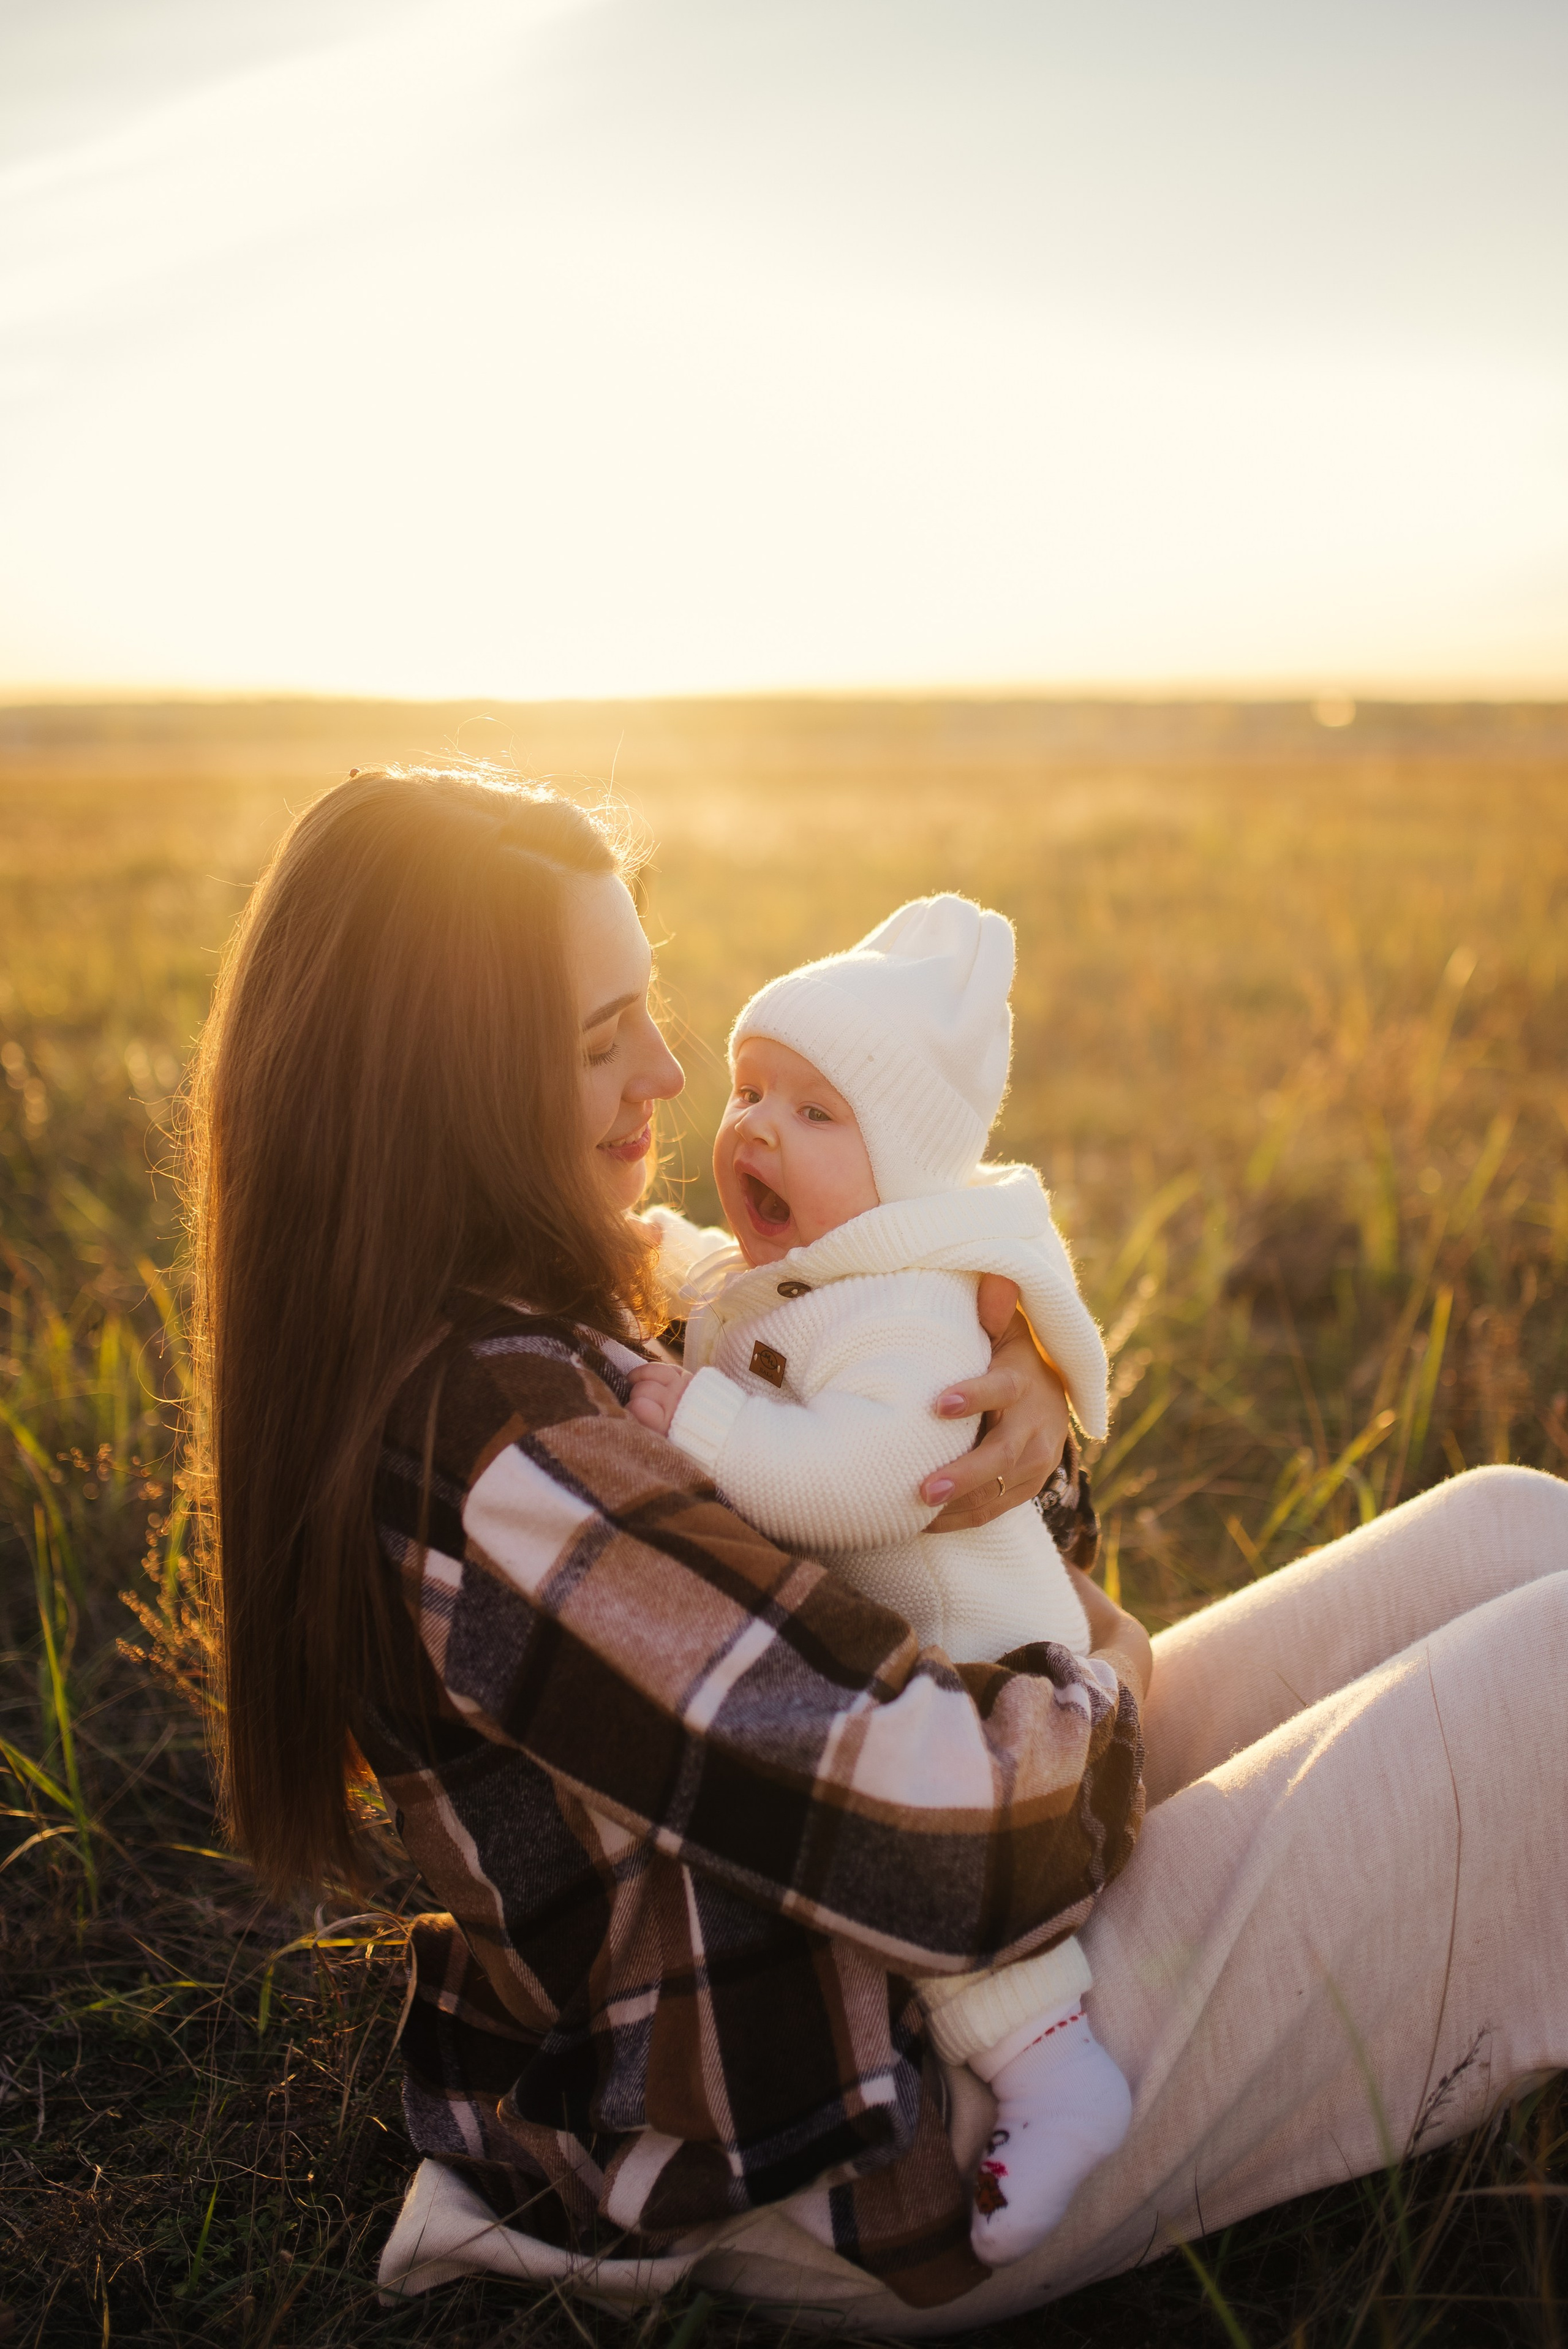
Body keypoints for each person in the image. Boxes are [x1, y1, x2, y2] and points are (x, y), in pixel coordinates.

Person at [187, 767, 1568, 2330]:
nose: (662, 1070)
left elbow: (899, 1493)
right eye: (594, 1041)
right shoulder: (502, 1459)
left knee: (1512, 1524)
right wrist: (1106, 1672)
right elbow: (949, 1846)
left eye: (647, 1006)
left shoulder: (561, 1294)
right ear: (439, 1095)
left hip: (912, 1957)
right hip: (876, 2125)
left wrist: (1013, 1428)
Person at [625, 894, 1134, 2264]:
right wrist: (643, 1249)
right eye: (750, 1090)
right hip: (915, 1653)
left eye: (812, 1113)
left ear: (903, 1165)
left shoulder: (918, 1317)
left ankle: (1052, 2069)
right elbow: (719, 1273)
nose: (753, 1130)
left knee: (964, 1863)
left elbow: (852, 1481)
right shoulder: (822, 1264)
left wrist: (688, 1415)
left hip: (992, 1670)